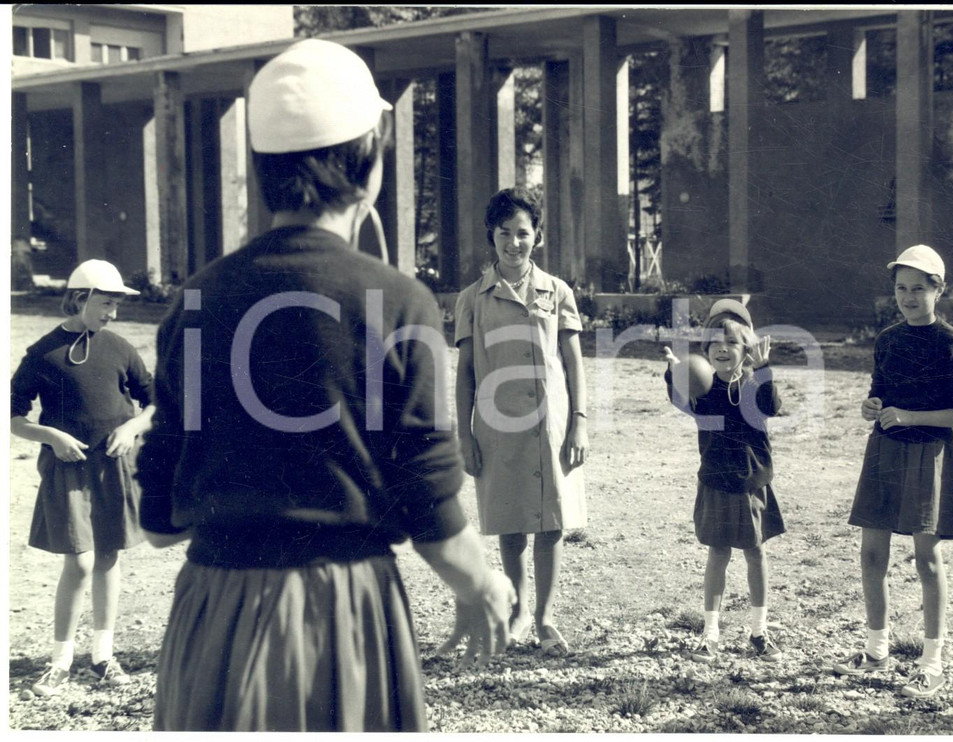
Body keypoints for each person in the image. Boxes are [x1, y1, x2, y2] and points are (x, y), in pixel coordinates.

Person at [135, 39, 513, 732]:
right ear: (370, 161)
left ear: (260, 168)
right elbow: (428, 497)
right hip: (346, 614)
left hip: (214, 615)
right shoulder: (399, 302)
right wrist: (482, 585)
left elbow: (157, 522)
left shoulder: (197, 300)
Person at [831, 244, 953, 699]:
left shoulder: (952, 343)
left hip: (927, 454)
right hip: (884, 451)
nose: (909, 297)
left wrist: (912, 416)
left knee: (926, 559)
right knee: (872, 556)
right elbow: (879, 394)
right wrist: (870, 407)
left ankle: (932, 663)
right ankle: (877, 650)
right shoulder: (889, 339)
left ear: (939, 290)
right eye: (901, 288)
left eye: (919, 288)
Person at [451, 187, 588, 657]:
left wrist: (580, 423)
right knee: (511, 524)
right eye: (504, 233)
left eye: (523, 233)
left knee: (551, 523)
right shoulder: (473, 298)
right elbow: (465, 372)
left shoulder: (558, 291)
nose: (514, 242)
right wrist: (464, 434)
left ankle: (547, 619)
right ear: (491, 237)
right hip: (498, 425)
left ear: (538, 237)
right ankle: (519, 611)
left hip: (550, 424)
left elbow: (574, 365)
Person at [11, 259, 155, 696]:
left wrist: (131, 428)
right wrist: (50, 435)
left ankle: (102, 657)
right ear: (79, 299)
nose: (113, 313)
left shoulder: (120, 348)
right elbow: (13, 417)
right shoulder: (42, 353)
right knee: (80, 559)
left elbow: (156, 403)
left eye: (117, 306)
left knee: (108, 556)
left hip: (113, 466)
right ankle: (60, 661)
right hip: (68, 466)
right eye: (106, 304)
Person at [663, 299, 785, 664]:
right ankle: (710, 632)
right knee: (718, 554)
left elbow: (771, 405)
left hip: (751, 482)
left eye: (732, 342)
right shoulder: (702, 388)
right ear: (705, 351)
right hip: (716, 482)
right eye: (714, 343)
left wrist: (764, 370)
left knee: (755, 553)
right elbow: (681, 402)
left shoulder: (752, 384)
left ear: (745, 348)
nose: (722, 348)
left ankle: (760, 631)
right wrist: (675, 374)